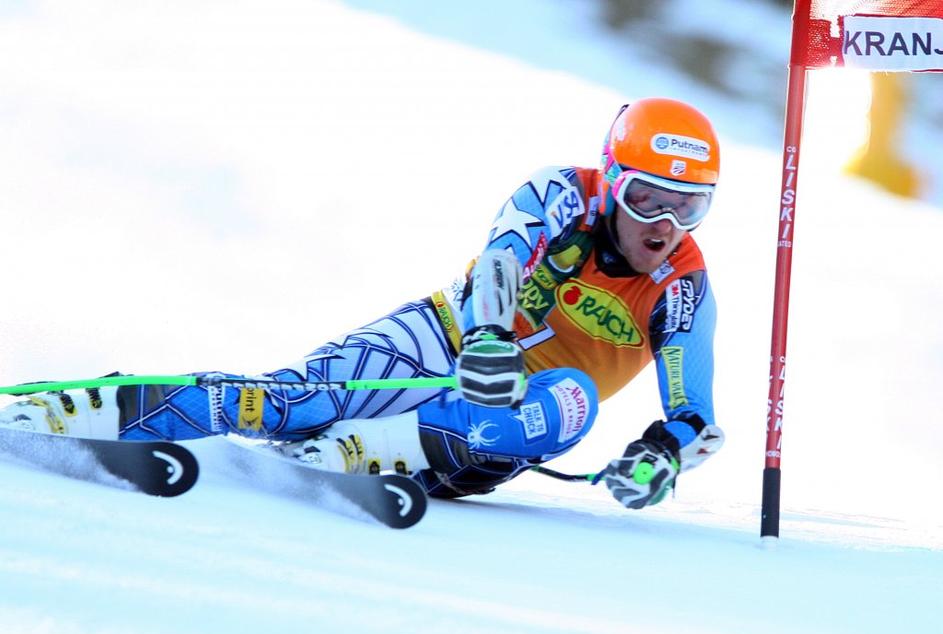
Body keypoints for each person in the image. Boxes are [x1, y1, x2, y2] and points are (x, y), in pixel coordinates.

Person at [0, 98, 725, 510]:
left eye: (689, 207)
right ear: (612, 179)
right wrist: (486, 337)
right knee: (284, 400)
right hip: (443, 340)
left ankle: (363, 451)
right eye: (647, 199)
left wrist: (659, 458)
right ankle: (77, 410)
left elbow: (695, 415)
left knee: (572, 399)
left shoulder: (681, 286)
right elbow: (503, 258)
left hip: (491, 429)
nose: (664, 226)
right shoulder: (561, 192)